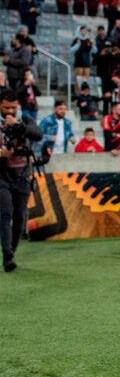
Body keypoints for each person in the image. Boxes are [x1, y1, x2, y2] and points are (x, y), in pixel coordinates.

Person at [0, 90, 42, 272]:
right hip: (1, 175)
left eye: (13, 107)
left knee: (19, 216)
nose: (9, 111)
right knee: (6, 212)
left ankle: (12, 250)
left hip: (23, 174)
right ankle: (7, 254)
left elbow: (38, 134)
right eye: (6, 107)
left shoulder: (24, 120)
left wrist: (18, 125)